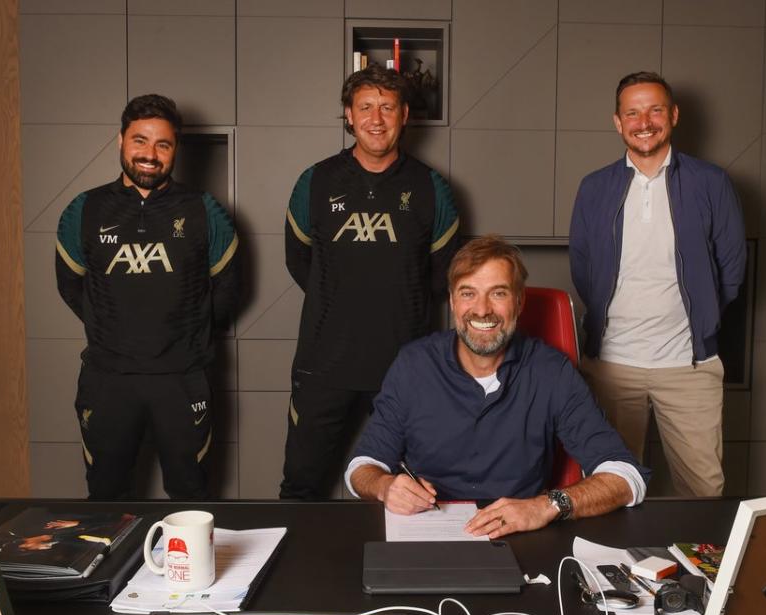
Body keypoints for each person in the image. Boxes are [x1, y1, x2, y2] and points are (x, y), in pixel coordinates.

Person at [347, 236, 650, 538]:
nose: (481, 310)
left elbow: (627, 476)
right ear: (453, 301)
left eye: (498, 293)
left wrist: (545, 506)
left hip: (520, 538)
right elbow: (362, 466)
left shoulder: (551, 371)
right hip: (425, 532)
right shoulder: (413, 365)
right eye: (468, 293)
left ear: (519, 303)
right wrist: (385, 486)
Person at [281, 64, 460, 500]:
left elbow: (446, 276)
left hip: (404, 365)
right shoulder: (316, 181)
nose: (376, 119)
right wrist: (340, 302)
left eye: (387, 107)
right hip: (325, 361)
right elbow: (298, 258)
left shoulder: (431, 187)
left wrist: (395, 305)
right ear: (348, 114)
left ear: (404, 117)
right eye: (365, 107)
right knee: (302, 486)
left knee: (414, 491)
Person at [569, 71, 746, 497]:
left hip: (688, 367)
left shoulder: (710, 182)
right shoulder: (594, 187)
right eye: (632, 112)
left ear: (674, 115)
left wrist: (701, 320)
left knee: (704, 492)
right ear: (618, 122)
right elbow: (582, 266)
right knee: (609, 490)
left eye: (654, 110)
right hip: (612, 366)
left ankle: (701, 567)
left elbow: (732, 265)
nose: (643, 121)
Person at [56, 94, 240, 500]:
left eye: (163, 144)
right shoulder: (84, 209)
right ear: (120, 140)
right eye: (140, 140)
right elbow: (71, 286)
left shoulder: (203, 210)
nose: (149, 155)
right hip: (108, 381)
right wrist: (113, 329)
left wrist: (185, 335)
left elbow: (227, 290)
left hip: (181, 379)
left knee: (191, 495)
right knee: (106, 496)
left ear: (176, 149)